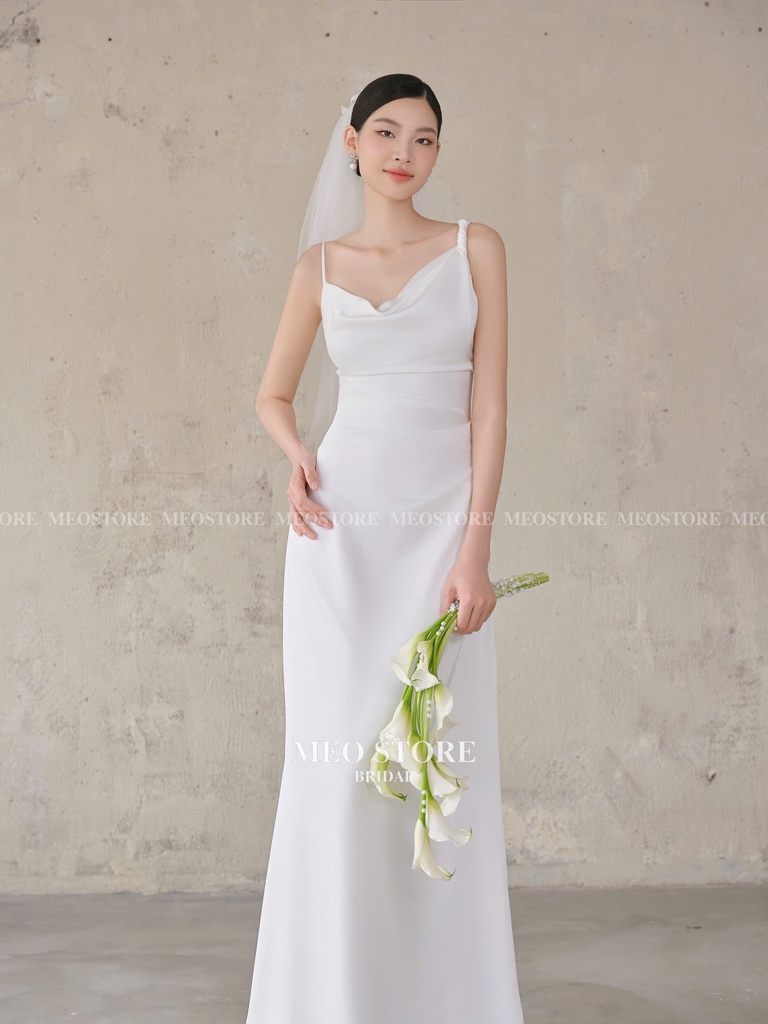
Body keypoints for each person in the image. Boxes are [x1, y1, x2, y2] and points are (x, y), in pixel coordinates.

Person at [248, 73, 525, 1023]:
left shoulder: (475, 247)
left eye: (426, 138)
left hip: (442, 530)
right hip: (342, 536)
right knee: (336, 771)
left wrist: (474, 551)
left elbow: (490, 409)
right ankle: (330, 999)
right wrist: (298, 457)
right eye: (387, 132)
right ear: (353, 143)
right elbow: (272, 395)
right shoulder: (318, 268)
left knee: (434, 767)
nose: (406, 153)